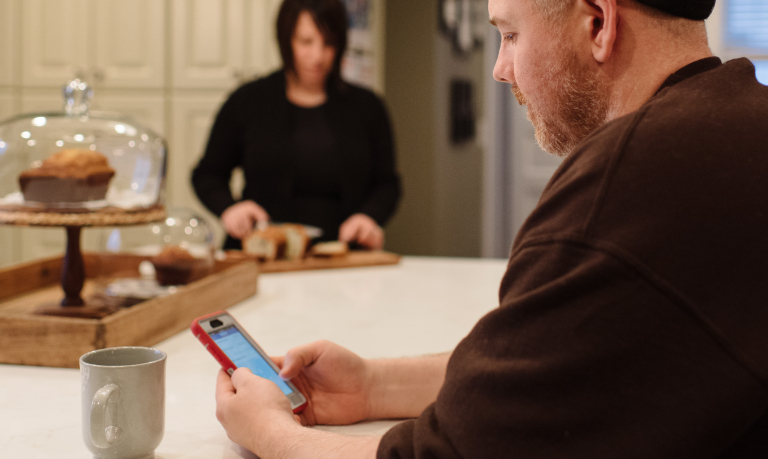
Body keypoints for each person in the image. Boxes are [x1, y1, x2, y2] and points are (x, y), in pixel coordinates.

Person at [214, 0, 768, 457]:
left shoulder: (623, 187)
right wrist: (373, 385)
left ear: (598, 22)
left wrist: (270, 431)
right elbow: (556, 370)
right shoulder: (738, 123)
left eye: (509, 36)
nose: (501, 69)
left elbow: (452, 453)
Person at [192, 0, 400, 251]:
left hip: (343, 253)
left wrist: (369, 217)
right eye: (306, 42)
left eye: (328, 43)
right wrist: (230, 208)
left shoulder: (368, 106)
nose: (318, 56)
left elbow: (388, 184)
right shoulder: (248, 101)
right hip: (262, 251)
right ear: (286, 39)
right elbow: (207, 175)